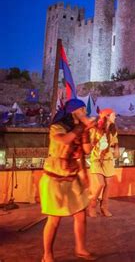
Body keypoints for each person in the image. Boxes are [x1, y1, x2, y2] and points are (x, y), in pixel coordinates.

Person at [39, 99, 96, 261]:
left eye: (85, 110)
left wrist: (88, 132)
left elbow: (86, 150)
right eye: (82, 110)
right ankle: (47, 255)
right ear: (73, 112)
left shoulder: (79, 129)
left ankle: (80, 248)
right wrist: (82, 127)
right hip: (55, 178)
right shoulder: (57, 127)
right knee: (54, 219)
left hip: (72, 177)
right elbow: (65, 140)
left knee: (80, 214)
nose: (85, 113)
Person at [88, 108, 119, 217]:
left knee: (108, 185)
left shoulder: (113, 130)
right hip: (97, 159)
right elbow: (90, 142)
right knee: (100, 184)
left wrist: (116, 149)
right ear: (107, 116)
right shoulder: (95, 129)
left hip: (108, 159)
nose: (115, 117)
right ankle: (92, 205)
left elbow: (115, 142)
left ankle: (104, 207)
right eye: (113, 115)